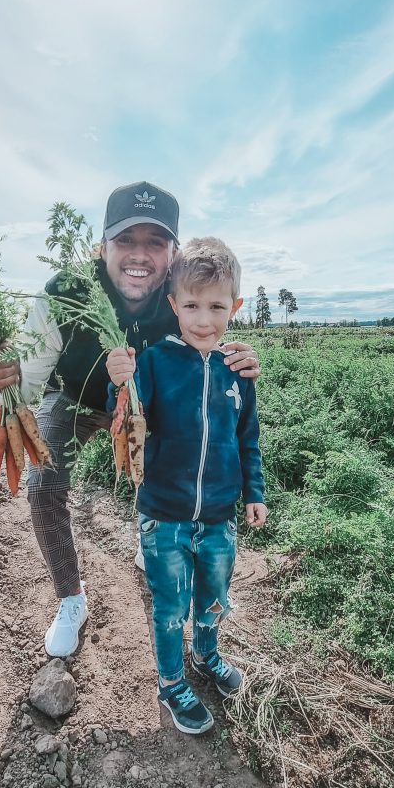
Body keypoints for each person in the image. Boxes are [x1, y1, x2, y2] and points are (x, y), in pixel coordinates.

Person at [0, 183, 261, 658]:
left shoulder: (178, 299)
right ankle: (72, 599)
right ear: (101, 246)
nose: (140, 254)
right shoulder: (63, 295)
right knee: (43, 484)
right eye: (126, 240)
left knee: (155, 457)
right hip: (72, 396)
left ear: (173, 253)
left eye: (155, 242)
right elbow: (22, 387)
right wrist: (0, 381)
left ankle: (149, 537)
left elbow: (212, 335)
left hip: (141, 400)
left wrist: (245, 360)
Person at [106, 237, 267, 735]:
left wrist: (255, 493)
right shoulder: (155, 362)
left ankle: (207, 653)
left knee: (214, 595)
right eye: (191, 305)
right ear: (173, 305)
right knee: (169, 604)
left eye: (216, 306)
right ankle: (171, 681)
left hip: (219, 515)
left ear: (234, 308)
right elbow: (129, 415)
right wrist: (120, 379)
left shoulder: (237, 372)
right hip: (164, 515)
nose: (203, 319)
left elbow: (248, 438)